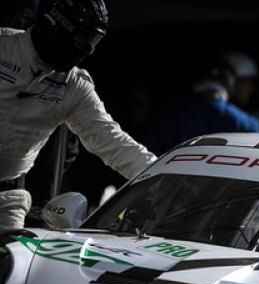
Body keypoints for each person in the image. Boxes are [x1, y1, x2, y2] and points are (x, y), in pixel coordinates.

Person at [0, 0, 155, 231]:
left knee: (14, 261)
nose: (87, 48)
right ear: (55, 22)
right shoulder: (3, 45)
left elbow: (114, 143)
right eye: (83, 37)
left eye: (93, 40)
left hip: (7, 196)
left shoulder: (74, 87)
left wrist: (162, 175)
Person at [143, 56, 259, 155]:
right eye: (247, 81)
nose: (251, 89)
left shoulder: (168, 114)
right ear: (230, 78)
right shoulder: (245, 124)